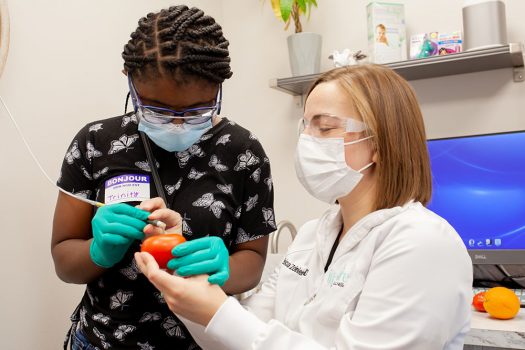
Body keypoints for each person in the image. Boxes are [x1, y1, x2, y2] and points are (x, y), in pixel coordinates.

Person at [135, 64, 474, 350]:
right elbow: (241, 335)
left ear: (381, 143)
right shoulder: (314, 235)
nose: (307, 141)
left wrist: (217, 311)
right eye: (306, 126)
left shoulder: (422, 244)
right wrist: (182, 269)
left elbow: (239, 328)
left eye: (324, 127)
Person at [51, 5, 275, 350]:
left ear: (218, 88)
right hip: (101, 340)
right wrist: (98, 252)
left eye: (197, 110)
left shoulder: (244, 152)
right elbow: (64, 262)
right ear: (129, 77)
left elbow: (254, 260)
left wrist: (227, 269)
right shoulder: (96, 143)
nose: (177, 123)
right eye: (157, 108)